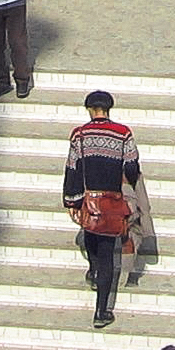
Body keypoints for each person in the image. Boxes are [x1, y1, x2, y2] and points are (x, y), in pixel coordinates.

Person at [63, 89, 141, 328]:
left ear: (89, 109)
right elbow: (131, 166)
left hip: (88, 199)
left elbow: (72, 169)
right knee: (108, 254)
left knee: (90, 236)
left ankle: (93, 271)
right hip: (112, 201)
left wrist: (71, 200)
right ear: (109, 109)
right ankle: (101, 311)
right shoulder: (123, 133)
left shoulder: (80, 135)